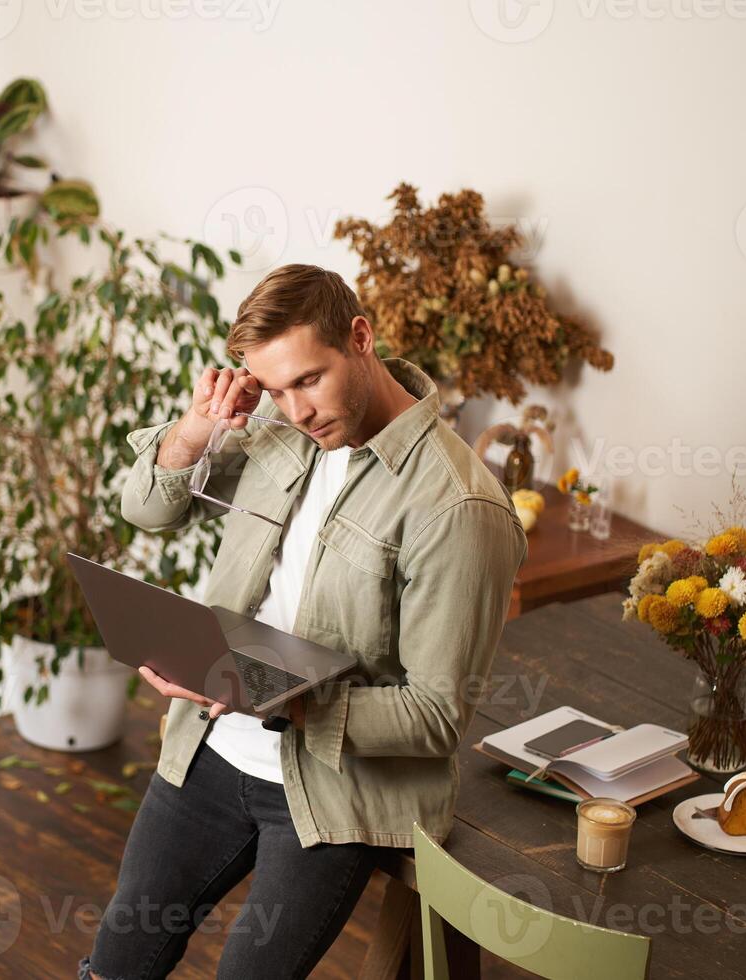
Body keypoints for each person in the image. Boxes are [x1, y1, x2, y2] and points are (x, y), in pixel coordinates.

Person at [78, 264, 528, 980]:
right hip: (209, 752)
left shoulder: (458, 508)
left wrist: (270, 692)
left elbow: (438, 717)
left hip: (330, 794)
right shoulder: (279, 433)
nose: (296, 410)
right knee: (115, 965)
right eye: (276, 389)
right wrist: (198, 429)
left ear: (360, 337)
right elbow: (147, 508)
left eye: (309, 379)